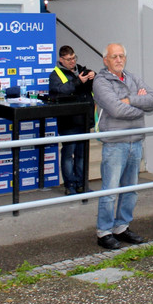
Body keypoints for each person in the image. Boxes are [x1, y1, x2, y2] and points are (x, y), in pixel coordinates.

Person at [93, 43, 153, 250]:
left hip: (135, 141)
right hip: (115, 144)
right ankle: (104, 231)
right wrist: (139, 107)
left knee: (130, 190)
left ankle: (121, 226)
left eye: (122, 56)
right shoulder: (100, 81)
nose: (119, 59)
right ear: (106, 60)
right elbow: (115, 109)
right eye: (114, 57)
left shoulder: (132, 77)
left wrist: (130, 100)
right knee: (110, 191)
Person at [49, 45, 95, 195]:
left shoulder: (82, 69)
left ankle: (81, 184)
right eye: (68, 59)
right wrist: (77, 82)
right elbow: (61, 91)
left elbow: (92, 87)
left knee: (82, 154)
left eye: (74, 58)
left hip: (84, 119)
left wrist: (93, 76)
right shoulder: (55, 75)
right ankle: (70, 185)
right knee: (68, 154)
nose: (72, 62)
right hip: (68, 120)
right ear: (61, 59)